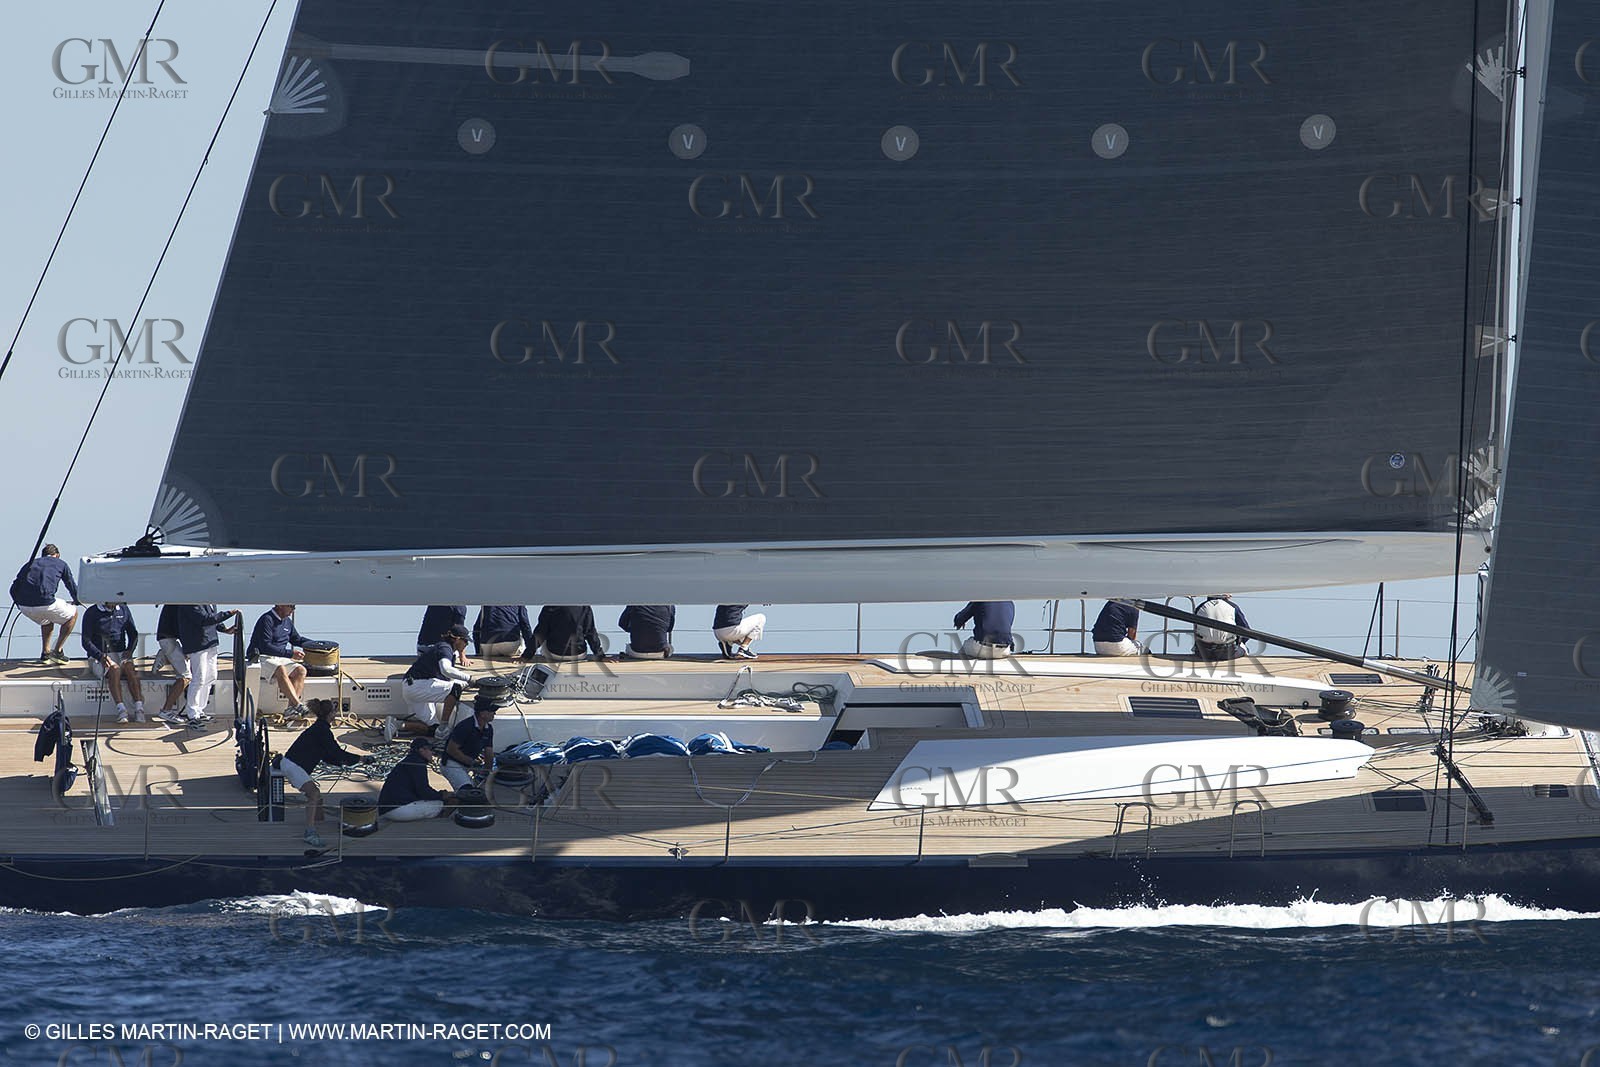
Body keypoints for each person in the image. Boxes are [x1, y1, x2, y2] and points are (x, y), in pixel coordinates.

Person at [281, 697, 374, 849]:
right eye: (334, 711)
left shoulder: (320, 728)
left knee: (318, 798)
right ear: (330, 714)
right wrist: (361, 759)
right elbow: (337, 753)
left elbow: (328, 756)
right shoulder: (322, 731)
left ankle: (318, 823)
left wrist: (343, 762)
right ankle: (309, 832)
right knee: (314, 794)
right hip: (293, 766)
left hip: (292, 763)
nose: (336, 714)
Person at [160, 604, 240, 728]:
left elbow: (211, 617)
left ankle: (200, 709)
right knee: (199, 678)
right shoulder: (189, 602)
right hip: (197, 644)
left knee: (211, 676)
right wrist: (228, 613)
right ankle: (192, 713)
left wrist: (224, 629)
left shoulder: (206, 600)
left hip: (210, 642)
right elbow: (204, 619)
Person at [391, 622, 473, 740]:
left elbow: (448, 678)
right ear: (457, 639)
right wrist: (470, 679)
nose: (467, 644)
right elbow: (446, 670)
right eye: (466, 641)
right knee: (455, 690)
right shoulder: (445, 648)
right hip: (418, 686)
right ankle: (444, 726)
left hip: (412, 687)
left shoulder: (444, 648)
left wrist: (466, 683)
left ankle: (397, 725)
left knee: (433, 729)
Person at [9, 545, 80, 664]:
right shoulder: (61, 563)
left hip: (24, 606)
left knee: (47, 620)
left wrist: (20, 604)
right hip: (46, 603)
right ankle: (57, 651)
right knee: (73, 615)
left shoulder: (29, 564)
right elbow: (71, 585)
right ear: (57, 555)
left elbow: (13, 588)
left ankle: (46, 653)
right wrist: (77, 600)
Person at [82, 601, 145, 723]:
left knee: (130, 668)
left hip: (121, 652)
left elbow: (133, 634)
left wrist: (129, 650)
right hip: (99, 655)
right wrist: (101, 657)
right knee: (114, 669)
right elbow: (86, 641)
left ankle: (139, 709)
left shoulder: (124, 609)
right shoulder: (91, 612)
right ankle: (121, 710)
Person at [248, 604, 312, 713]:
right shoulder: (266, 619)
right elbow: (265, 646)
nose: (293, 609)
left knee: (301, 670)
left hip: (279, 657)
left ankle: (291, 709)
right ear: (280, 605)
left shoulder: (287, 621)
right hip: (261, 657)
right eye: (291, 606)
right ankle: (297, 705)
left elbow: (296, 639)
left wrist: (316, 645)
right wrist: (290, 654)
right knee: (280, 669)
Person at [377, 735, 454, 822]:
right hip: (396, 810)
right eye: (429, 749)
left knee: (434, 800)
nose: (432, 753)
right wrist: (441, 796)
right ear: (421, 750)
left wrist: (438, 794)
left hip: (387, 808)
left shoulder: (411, 760)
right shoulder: (417, 764)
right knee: (438, 804)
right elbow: (423, 791)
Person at [441, 698, 496, 791]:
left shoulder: (489, 729)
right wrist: (472, 763)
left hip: (468, 765)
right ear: (482, 714)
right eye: (491, 711)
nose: (494, 713)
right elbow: (451, 749)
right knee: (467, 791)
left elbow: (489, 753)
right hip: (451, 764)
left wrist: (487, 772)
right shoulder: (465, 726)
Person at [150, 604, 189, 718]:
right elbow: (182, 626)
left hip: (167, 637)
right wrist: (187, 648)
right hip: (169, 639)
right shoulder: (183, 603)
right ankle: (166, 710)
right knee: (185, 677)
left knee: (186, 671)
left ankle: (164, 655)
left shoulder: (174, 600)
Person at [533, 605, 605, 661]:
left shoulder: (550, 606)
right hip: (578, 654)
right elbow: (590, 632)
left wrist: (527, 655)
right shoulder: (584, 606)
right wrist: (599, 654)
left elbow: (540, 633)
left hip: (555, 653)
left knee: (545, 638)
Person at [1194, 594, 1251, 661]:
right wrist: (1239, 642)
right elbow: (1245, 629)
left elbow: (1196, 628)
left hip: (1203, 653)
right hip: (1227, 653)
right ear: (1226, 595)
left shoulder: (1200, 607)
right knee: (1245, 649)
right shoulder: (1232, 607)